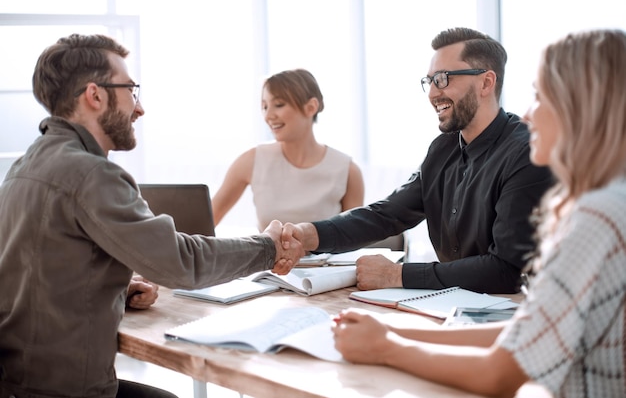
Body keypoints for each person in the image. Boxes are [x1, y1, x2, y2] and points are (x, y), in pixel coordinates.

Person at [0, 33, 303, 398]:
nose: (139, 109)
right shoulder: (90, 174)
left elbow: (30, 270)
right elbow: (183, 263)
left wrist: (116, 289)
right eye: (131, 90)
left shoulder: (24, 166)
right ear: (95, 96)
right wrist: (268, 247)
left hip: (17, 381)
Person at [332, 28, 626, 398]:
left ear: (584, 107)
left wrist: (386, 347)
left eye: (540, 96)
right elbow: (526, 330)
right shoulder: (610, 203)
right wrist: (392, 331)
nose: (529, 114)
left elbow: (499, 374)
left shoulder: (594, 219)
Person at [282, 27, 554, 294]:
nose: (433, 93)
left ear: (486, 83)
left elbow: (505, 271)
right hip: (445, 308)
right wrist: (306, 234)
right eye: (430, 81)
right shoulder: (442, 149)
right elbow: (386, 215)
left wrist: (396, 275)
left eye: (444, 78)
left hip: (507, 318)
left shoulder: (527, 153)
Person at [211, 68, 364, 232]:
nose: (268, 115)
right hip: (269, 258)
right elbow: (204, 223)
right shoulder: (251, 161)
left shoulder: (347, 170)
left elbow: (353, 237)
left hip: (325, 259)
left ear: (311, 107)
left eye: (278, 105)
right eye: (264, 106)